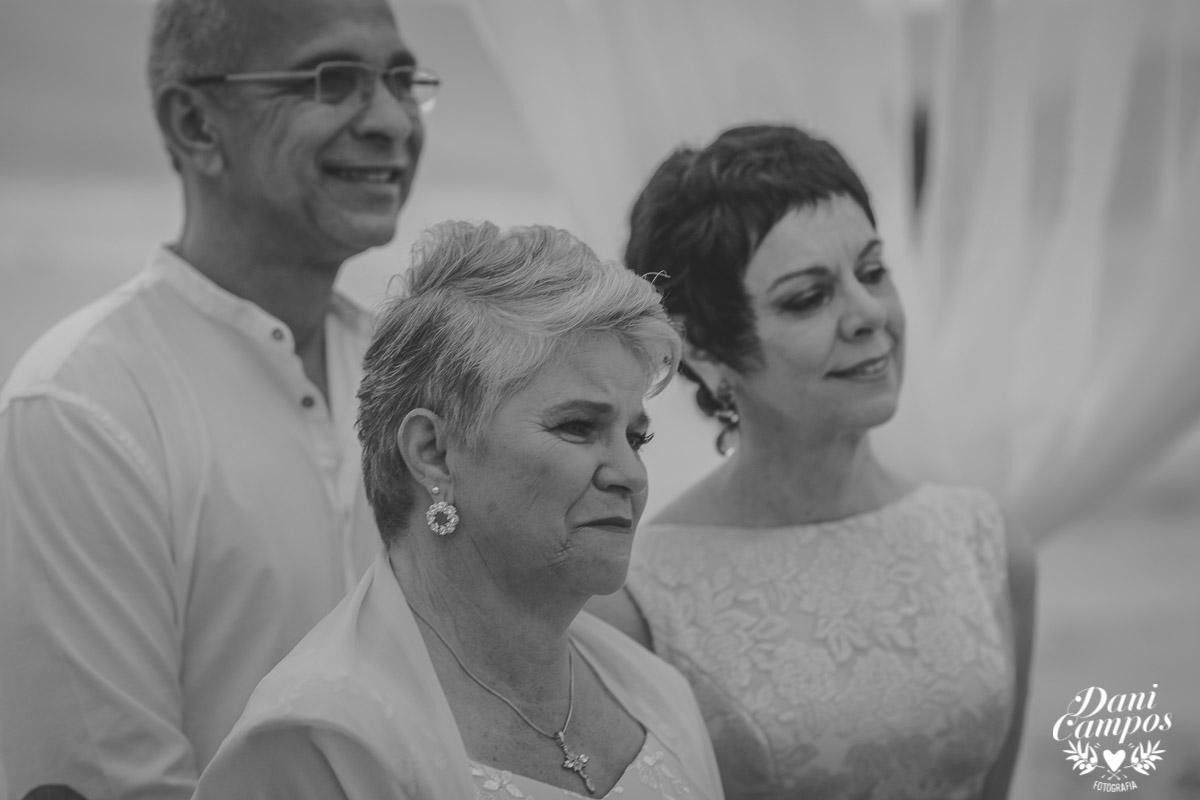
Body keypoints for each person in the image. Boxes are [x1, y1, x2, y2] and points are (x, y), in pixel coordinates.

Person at [0, 0, 434, 796]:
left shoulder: (421, 374)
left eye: (402, 80)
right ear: (197, 124)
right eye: (333, 78)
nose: (392, 121)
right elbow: (107, 779)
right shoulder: (83, 405)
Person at [191, 221, 725, 799]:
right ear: (433, 453)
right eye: (577, 427)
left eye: (636, 438)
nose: (631, 475)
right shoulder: (323, 740)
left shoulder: (656, 694)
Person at [587, 124, 1037, 800]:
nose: (869, 314)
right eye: (809, 297)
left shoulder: (987, 543)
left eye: (873, 272)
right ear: (704, 348)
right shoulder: (637, 600)